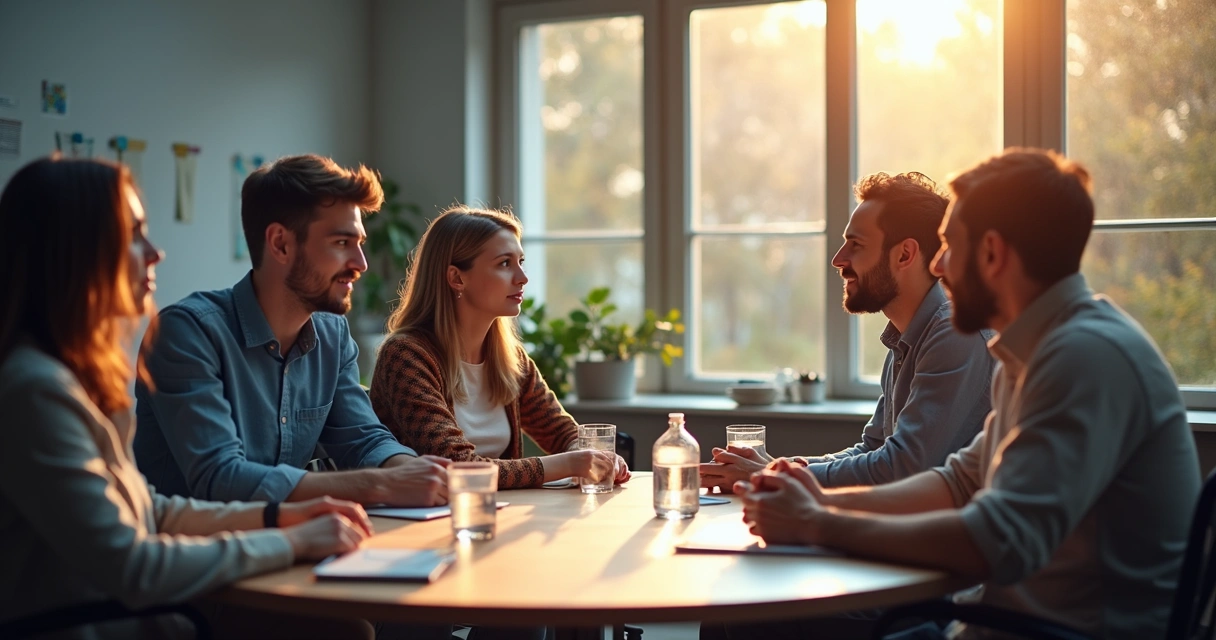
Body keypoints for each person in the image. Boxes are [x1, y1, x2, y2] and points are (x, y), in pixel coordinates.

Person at [738, 149, 1201, 640]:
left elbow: (997, 539)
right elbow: (958, 483)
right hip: (991, 622)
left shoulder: (1086, 357)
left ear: (993, 253)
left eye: (949, 245)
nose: (938, 265)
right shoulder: (1029, 354)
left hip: (1052, 633)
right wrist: (821, 500)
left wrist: (818, 524)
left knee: (754, 623)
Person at [0, 157, 377, 639]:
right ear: (72, 252)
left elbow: (150, 510)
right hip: (86, 623)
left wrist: (278, 515)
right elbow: (132, 565)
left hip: (124, 608)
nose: (155, 253)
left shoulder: (70, 377)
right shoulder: (35, 390)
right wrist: (291, 541)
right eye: (133, 233)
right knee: (345, 632)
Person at [134, 154, 448, 507]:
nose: (361, 264)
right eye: (342, 243)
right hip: (192, 554)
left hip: (291, 543)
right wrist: (381, 485)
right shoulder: (186, 334)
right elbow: (220, 477)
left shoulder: (333, 336)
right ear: (281, 244)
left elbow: (363, 439)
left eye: (359, 244)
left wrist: (421, 475)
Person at [702, 172, 994, 491]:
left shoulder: (954, 333)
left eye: (856, 245)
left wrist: (772, 476)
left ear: (904, 255)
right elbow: (873, 451)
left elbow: (902, 467)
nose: (838, 259)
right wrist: (777, 468)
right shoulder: (906, 338)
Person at [371, 205, 630, 490]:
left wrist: (591, 455)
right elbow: (458, 468)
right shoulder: (406, 356)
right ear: (457, 278)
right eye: (505, 263)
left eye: (521, 261)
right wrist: (570, 463)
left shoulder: (509, 358)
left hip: (499, 514)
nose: (522, 277)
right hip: (423, 524)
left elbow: (560, 432)